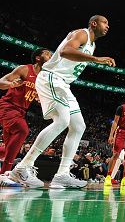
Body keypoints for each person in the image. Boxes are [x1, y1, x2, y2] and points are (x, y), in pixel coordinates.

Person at [10, 15, 115, 189]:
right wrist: (96, 59)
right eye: (105, 22)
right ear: (93, 24)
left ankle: (62, 175)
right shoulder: (82, 34)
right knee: (62, 121)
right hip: (52, 78)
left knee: (78, 126)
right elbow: (66, 51)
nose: (108, 26)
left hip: (63, 85)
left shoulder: (93, 44)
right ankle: (22, 167)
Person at [0, 48, 52, 186]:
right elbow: (1, 82)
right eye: (47, 54)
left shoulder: (42, 78)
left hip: (21, 111)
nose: (50, 56)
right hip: (8, 106)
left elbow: (35, 94)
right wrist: (11, 84)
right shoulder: (24, 69)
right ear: (38, 58)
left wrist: (39, 99)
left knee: (9, 149)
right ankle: (4, 174)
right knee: (23, 130)